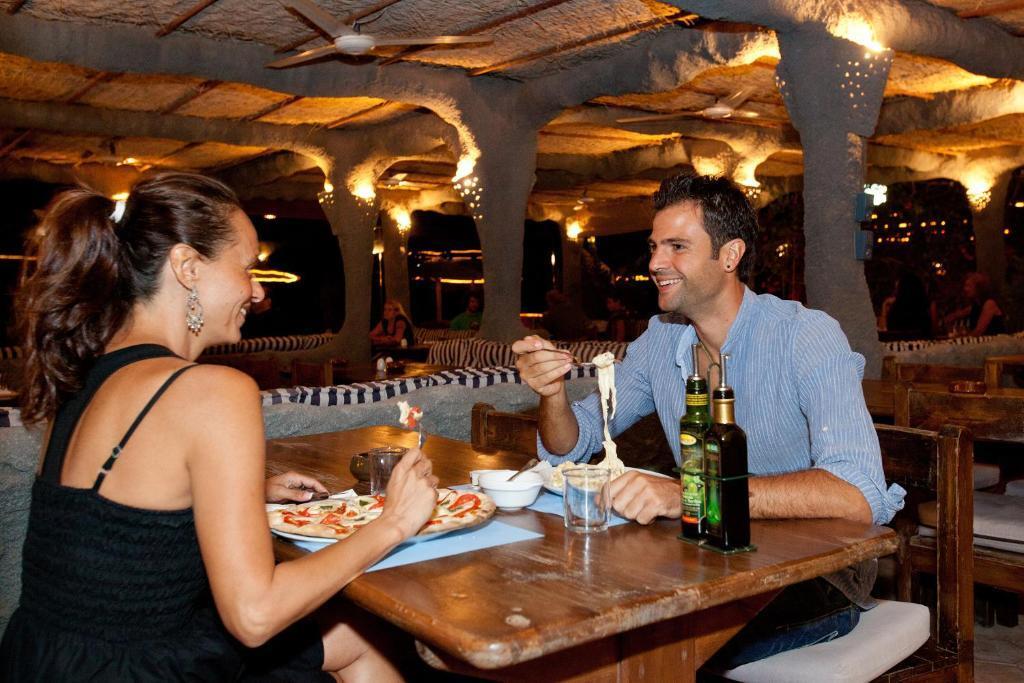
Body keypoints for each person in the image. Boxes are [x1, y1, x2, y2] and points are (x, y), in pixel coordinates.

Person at [1, 172, 439, 681]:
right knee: (366, 633)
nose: (257, 290)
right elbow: (255, 616)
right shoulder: (212, 390)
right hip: (137, 669)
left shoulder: (81, 375)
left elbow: (112, 522)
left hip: (40, 658)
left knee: (347, 636)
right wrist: (395, 522)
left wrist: (241, 495)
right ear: (187, 267)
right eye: (247, 268)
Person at [514, 173, 905, 667]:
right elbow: (573, 443)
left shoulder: (805, 336)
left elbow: (857, 494)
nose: (655, 263)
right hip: (707, 556)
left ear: (730, 255)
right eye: (655, 247)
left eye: (677, 247)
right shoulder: (660, 341)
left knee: (648, 649)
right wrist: (551, 394)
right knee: (581, 613)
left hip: (818, 572)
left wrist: (687, 495)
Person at [943, 271, 1006, 336]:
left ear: (979, 287)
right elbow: (954, 316)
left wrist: (961, 338)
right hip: (983, 341)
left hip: (996, 341)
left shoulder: (989, 304)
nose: (965, 289)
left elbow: (979, 331)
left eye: (969, 286)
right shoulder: (976, 305)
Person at [878, 268, 935, 340]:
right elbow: (934, 332)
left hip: (899, 345)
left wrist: (884, 305)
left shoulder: (895, 310)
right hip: (923, 345)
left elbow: (884, 331)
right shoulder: (926, 306)